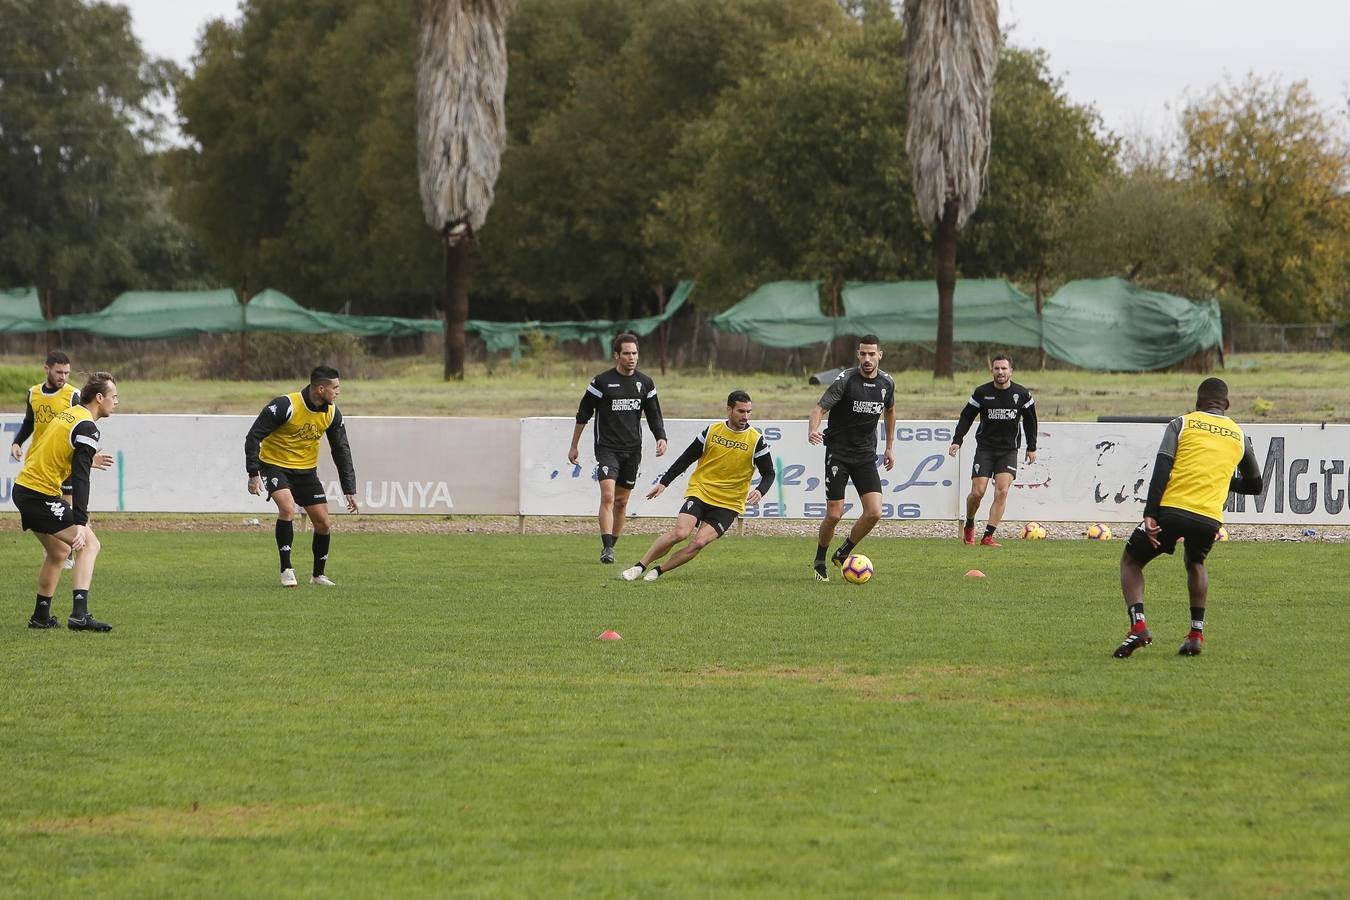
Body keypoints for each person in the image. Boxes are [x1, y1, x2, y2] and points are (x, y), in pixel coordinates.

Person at [1113, 378, 1264, 659]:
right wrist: (1222, 479)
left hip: (1172, 511)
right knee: (1196, 561)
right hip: (1209, 518)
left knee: (1131, 560)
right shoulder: (1239, 435)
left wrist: (1150, 512)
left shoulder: (1182, 423)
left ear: (1197, 403)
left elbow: (1162, 467)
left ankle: (1139, 626)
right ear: (1227, 405)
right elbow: (1256, 485)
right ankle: (1196, 634)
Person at [621, 391, 774, 582]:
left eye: (749, 412)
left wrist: (761, 490)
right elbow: (686, 458)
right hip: (701, 492)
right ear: (729, 410)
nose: (745, 416)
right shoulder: (712, 431)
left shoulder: (756, 440)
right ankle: (638, 567)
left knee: (699, 542)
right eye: (741, 411)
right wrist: (664, 482)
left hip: (729, 503)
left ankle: (658, 571)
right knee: (680, 533)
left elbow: (769, 473)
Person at [12, 372, 120, 631]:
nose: (116, 401)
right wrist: (81, 523)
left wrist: (87, 460)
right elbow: (81, 479)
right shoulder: (87, 427)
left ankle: (40, 617)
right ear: (99, 397)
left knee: (59, 552)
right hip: (38, 495)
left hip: (26, 489)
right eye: (114, 396)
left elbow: (57, 452)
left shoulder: (70, 414)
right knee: (90, 544)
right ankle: (80, 615)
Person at [244, 366, 359, 587]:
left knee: (323, 523)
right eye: (335, 388)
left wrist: (349, 488)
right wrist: (253, 473)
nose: (338, 392)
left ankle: (318, 575)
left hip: (306, 471)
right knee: (287, 508)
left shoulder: (332, 413)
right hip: (275, 465)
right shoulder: (285, 405)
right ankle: (286, 569)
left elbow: (341, 450)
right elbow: (253, 436)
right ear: (320, 388)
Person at [568, 332, 668, 564]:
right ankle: (606, 548)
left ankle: (612, 544)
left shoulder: (645, 383)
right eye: (626, 353)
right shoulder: (601, 382)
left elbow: (654, 414)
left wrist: (660, 437)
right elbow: (583, 414)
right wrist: (574, 446)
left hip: (633, 450)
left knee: (622, 501)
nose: (631, 357)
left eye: (634, 353)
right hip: (607, 448)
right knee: (608, 495)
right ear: (617, 355)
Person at [9, 351, 111, 568]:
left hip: (64, 461)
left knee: (68, 505)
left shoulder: (73, 395)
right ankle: (59, 551)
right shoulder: (33, 393)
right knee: (49, 506)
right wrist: (17, 442)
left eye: (67, 372)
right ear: (46, 369)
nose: (63, 376)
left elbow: (80, 428)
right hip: (41, 460)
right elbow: (29, 421)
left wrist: (87, 457)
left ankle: (73, 550)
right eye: (59, 372)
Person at [807, 334, 896, 581]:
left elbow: (889, 411)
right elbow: (819, 408)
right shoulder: (845, 380)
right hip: (839, 454)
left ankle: (844, 551)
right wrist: (813, 429)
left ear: (880, 355)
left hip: (865, 455)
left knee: (875, 512)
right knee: (835, 514)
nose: (867, 359)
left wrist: (889, 447)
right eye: (863, 354)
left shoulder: (887, 383)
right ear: (858, 355)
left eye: (872, 354)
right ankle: (819, 560)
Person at [947, 354, 1038, 547]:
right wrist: (957, 440)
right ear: (992, 371)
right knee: (978, 493)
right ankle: (970, 523)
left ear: (1011, 371)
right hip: (986, 449)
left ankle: (988, 536)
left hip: (1008, 450)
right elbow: (966, 417)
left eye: (1004, 368)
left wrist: (1031, 447)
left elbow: (1031, 421)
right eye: (997, 368)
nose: (1000, 372)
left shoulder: (1022, 394)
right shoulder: (982, 393)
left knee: (1002, 491)